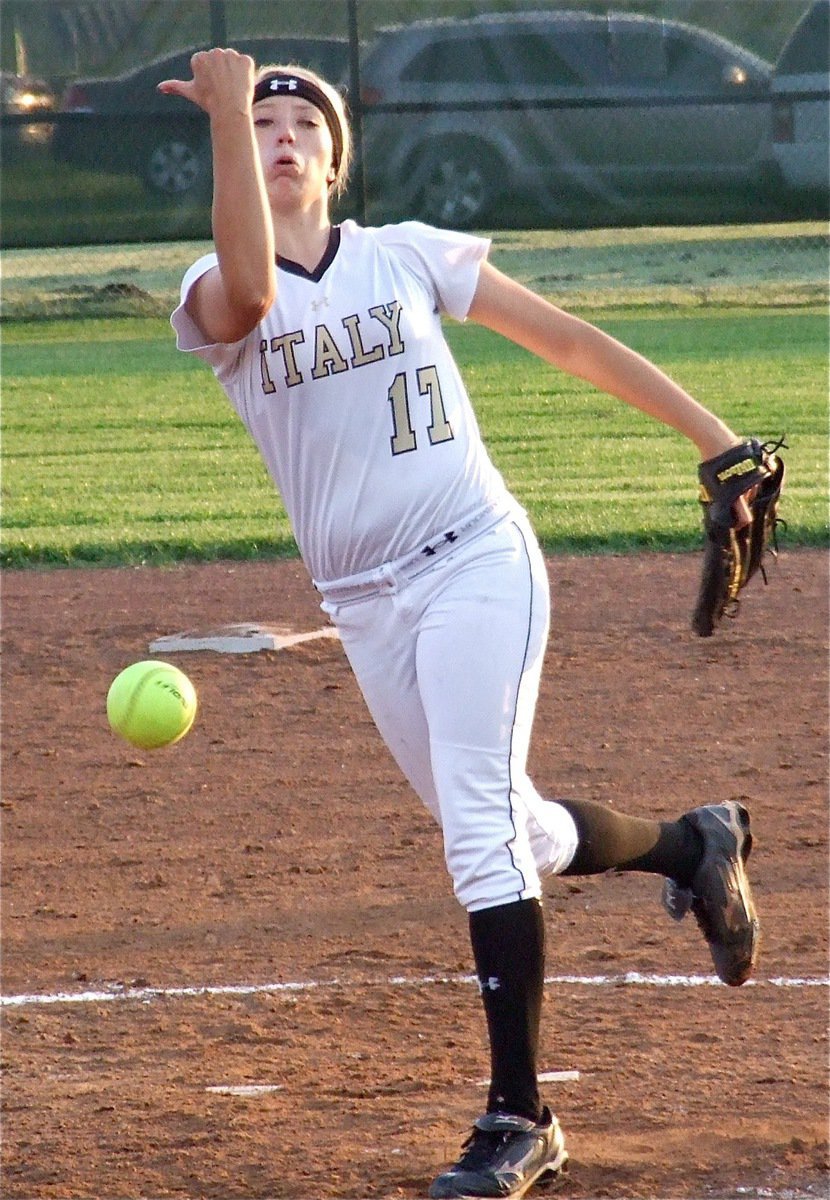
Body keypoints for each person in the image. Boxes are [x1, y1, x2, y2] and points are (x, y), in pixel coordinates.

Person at [160, 50, 759, 1200]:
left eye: (302, 122)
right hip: (366, 606)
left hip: (476, 559)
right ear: (234, 150)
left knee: (474, 837)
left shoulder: (404, 255)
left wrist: (711, 435)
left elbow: (568, 341)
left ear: (337, 159)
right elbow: (252, 285)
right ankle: (696, 845)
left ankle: (518, 1118)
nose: (281, 134)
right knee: (517, 835)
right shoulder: (211, 292)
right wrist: (227, 120)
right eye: (261, 120)